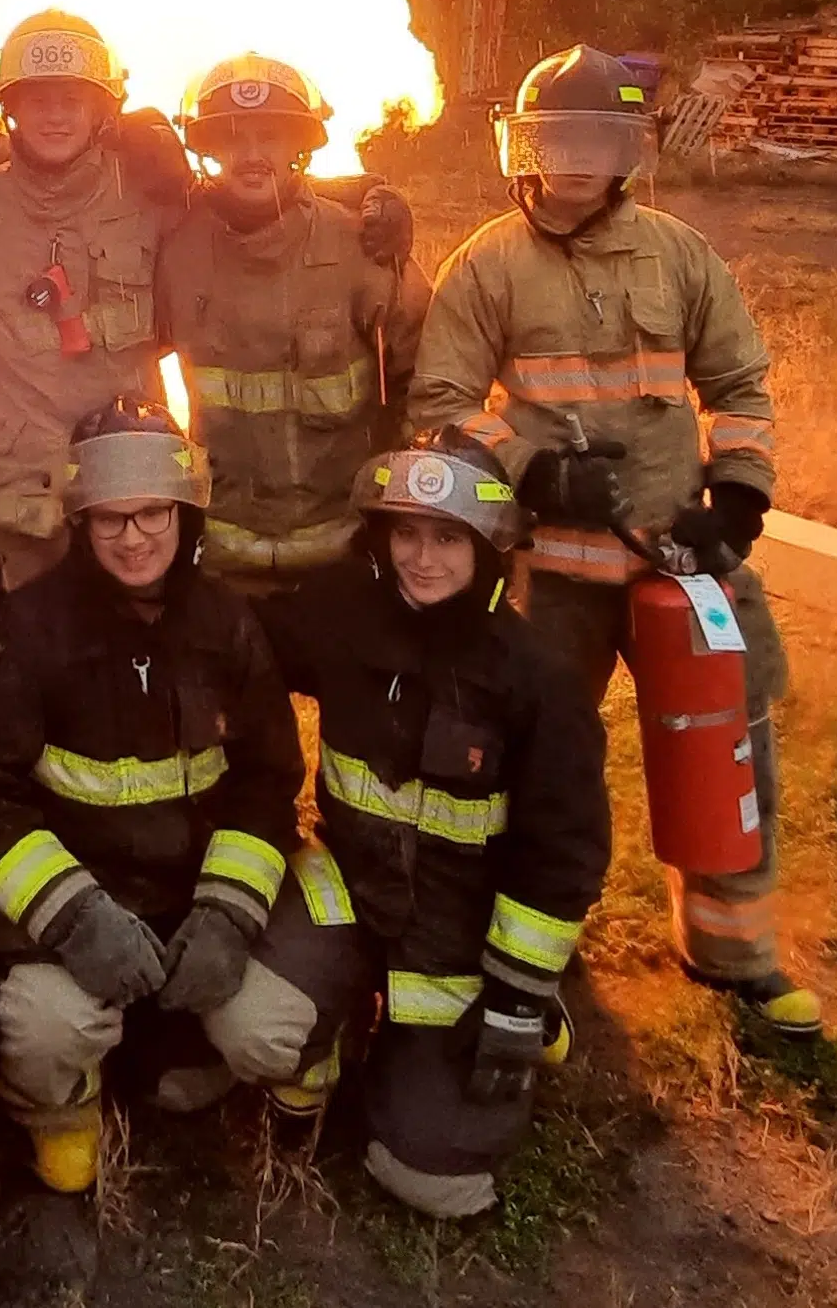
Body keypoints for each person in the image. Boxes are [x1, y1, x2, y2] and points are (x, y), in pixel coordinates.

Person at [407, 44, 820, 1039]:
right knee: (540, 760)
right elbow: (441, 400)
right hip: (554, 574)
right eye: (553, 137)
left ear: (628, 149)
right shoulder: (488, 266)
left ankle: (731, 954)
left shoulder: (679, 255)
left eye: (595, 137)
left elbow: (739, 383)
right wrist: (531, 472)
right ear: (521, 146)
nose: (573, 157)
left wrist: (737, 499)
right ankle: (536, 946)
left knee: (727, 744)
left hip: (683, 563)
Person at [0, 399, 304, 1198]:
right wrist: (73, 915)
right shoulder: (32, 630)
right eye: (111, 519)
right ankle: (57, 1101)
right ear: (81, 521)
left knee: (267, 1032)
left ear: (184, 513)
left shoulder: (226, 624)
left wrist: (230, 912)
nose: (133, 537)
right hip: (75, 917)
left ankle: (164, 1039)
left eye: (152, 514)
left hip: (191, 910)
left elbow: (269, 780)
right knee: (46, 1028)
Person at [245, 430, 611, 1217]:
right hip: (350, 895)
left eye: (448, 536)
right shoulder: (342, 615)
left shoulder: (537, 680)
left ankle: (516, 1029)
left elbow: (562, 854)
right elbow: (242, 642)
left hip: (457, 936)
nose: (423, 557)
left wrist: (516, 998)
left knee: (436, 1178)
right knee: (251, 1022)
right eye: (406, 532)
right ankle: (329, 1047)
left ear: (488, 545)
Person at [161, 53, 429, 589]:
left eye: (272, 137)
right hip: (221, 564)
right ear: (207, 150)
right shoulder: (177, 250)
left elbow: (427, 382)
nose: (253, 155)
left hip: (346, 561)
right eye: (234, 139)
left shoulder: (362, 245)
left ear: (301, 148)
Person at [0, 13, 188, 588]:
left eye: (73, 100)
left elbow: (244, 226)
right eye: (37, 100)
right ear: (10, 110)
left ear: (104, 109)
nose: (55, 116)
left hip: (121, 499)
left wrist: (367, 194)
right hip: (11, 502)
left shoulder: (150, 196)